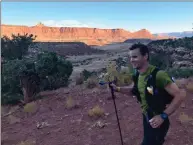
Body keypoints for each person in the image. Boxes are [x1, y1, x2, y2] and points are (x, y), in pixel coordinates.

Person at [110, 43, 186, 145]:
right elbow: (134, 90)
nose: (131, 60)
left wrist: (163, 116)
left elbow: (180, 95)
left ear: (145, 56)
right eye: (130, 57)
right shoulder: (137, 74)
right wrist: (117, 89)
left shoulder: (159, 75)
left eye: (135, 56)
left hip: (158, 120)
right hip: (147, 117)